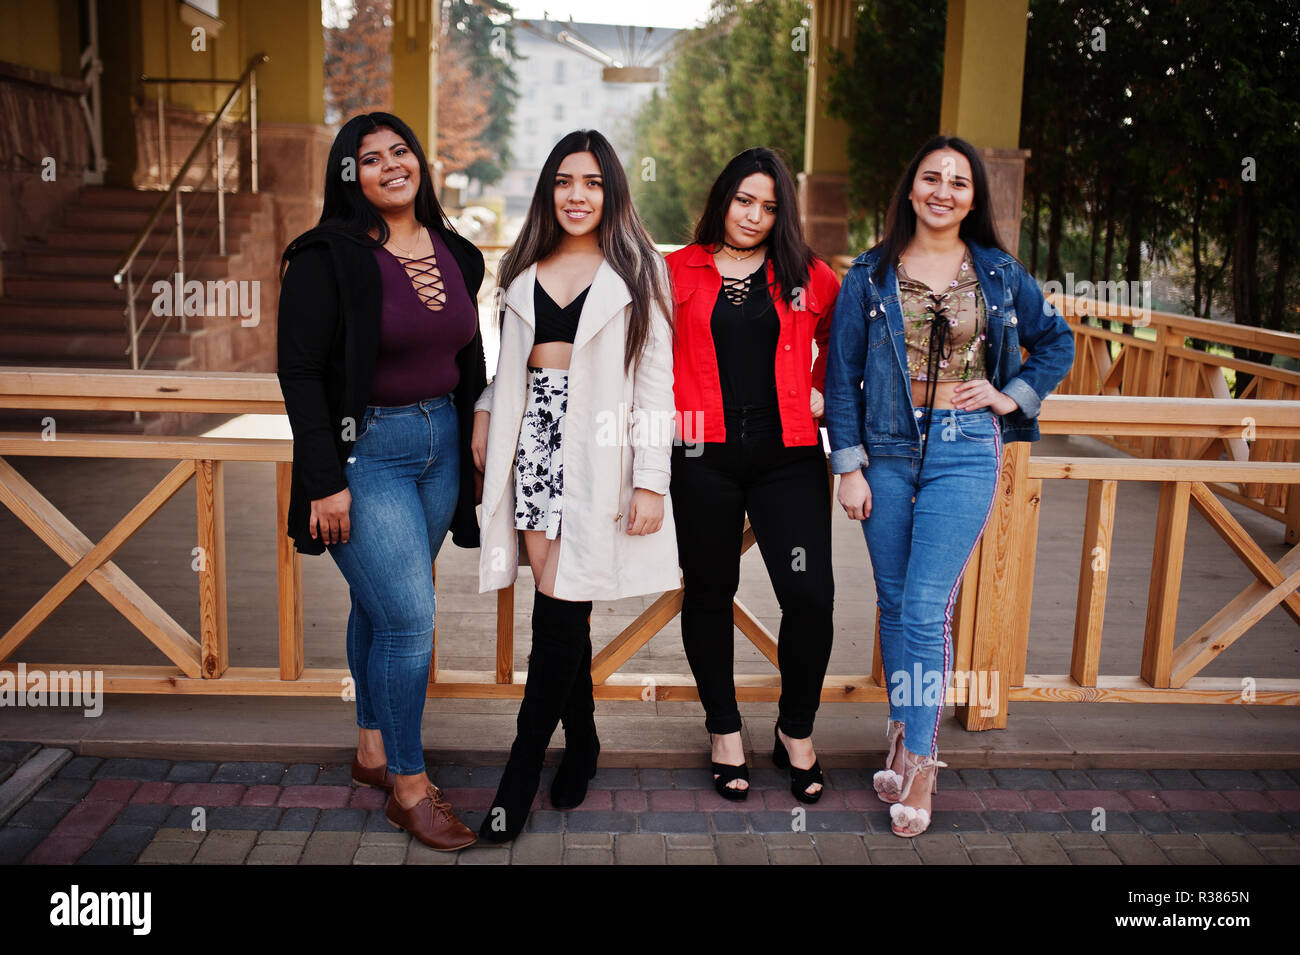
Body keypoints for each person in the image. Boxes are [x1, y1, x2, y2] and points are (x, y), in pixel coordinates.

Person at [824, 135, 1074, 837]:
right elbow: (841, 377)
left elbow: (1059, 341)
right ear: (910, 190)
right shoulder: (869, 275)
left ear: (973, 198)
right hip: (886, 449)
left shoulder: (997, 272)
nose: (943, 190)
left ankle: (925, 759)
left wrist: (1008, 393)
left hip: (965, 449)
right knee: (897, 602)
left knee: (928, 605)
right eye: (931, 178)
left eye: (959, 182)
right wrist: (848, 465)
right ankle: (903, 732)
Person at [277, 112, 486, 851]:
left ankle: (370, 746)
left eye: (402, 151)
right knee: (410, 618)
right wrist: (324, 480)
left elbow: (469, 359)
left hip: (440, 449)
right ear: (348, 175)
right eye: (371, 158)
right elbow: (300, 374)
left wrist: (478, 428)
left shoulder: (456, 253)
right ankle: (407, 785)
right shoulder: (323, 258)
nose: (392, 165)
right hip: (365, 455)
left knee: (382, 605)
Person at [472, 129, 678, 843]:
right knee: (560, 611)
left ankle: (519, 774)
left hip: (603, 457)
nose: (577, 194)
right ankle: (583, 742)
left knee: (559, 615)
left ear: (611, 189)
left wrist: (651, 480)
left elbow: (657, 383)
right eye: (564, 180)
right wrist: (484, 413)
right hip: (533, 446)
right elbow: (507, 369)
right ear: (548, 189)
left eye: (591, 181)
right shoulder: (523, 265)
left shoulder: (641, 269)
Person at [667, 147, 840, 804]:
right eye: (745, 200)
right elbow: (644, 355)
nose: (756, 215)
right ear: (723, 197)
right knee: (709, 591)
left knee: (809, 596)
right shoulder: (675, 270)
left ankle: (795, 730)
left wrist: (823, 386)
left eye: (770, 206)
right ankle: (724, 731)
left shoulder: (806, 274)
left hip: (788, 456)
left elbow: (850, 340)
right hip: (700, 455)